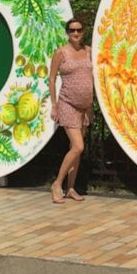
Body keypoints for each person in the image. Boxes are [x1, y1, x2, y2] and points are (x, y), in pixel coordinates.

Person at [48, 17, 94, 204]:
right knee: (78, 146)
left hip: (84, 106)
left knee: (75, 150)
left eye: (79, 30)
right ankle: (57, 184)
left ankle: (71, 188)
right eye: (72, 30)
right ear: (67, 32)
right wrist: (53, 105)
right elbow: (51, 79)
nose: (75, 33)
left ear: (83, 32)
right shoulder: (61, 52)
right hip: (67, 103)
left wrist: (90, 107)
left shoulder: (89, 51)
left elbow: (91, 78)